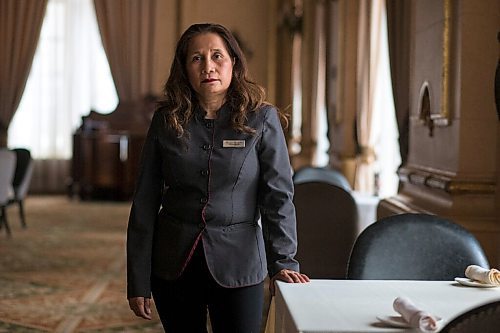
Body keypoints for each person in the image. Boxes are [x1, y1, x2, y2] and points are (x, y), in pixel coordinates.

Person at [126, 22, 309, 333]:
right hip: (173, 264)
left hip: (239, 262)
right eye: (196, 58)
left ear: (233, 62)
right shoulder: (165, 121)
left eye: (217, 56)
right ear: (184, 68)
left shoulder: (262, 118)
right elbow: (144, 201)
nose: (208, 66)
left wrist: (284, 262)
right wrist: (138, 279)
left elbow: (278, 196)